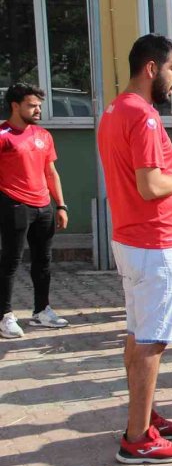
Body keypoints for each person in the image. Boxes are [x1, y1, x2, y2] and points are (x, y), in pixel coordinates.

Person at [98, 33, 172, 464]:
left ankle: (144, 416)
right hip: (153, 242)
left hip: (132, 239)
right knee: (151, 342)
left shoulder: (114, 110)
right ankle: (138, 437)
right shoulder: (142, 116)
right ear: (151, 68)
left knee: (137, 334)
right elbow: (149, 186)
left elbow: (143, 176)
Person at [0, 83, 69, 339]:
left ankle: (41, 311)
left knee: (43, 261)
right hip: (14, 204)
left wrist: (60, 205)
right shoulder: (3, 134)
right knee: (11, 261)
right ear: (15, 106)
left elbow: (50, 172)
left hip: (44, 207)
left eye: (39, 105)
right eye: (32, 105)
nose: (38, 109)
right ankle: (5, 316)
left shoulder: (43, 135)